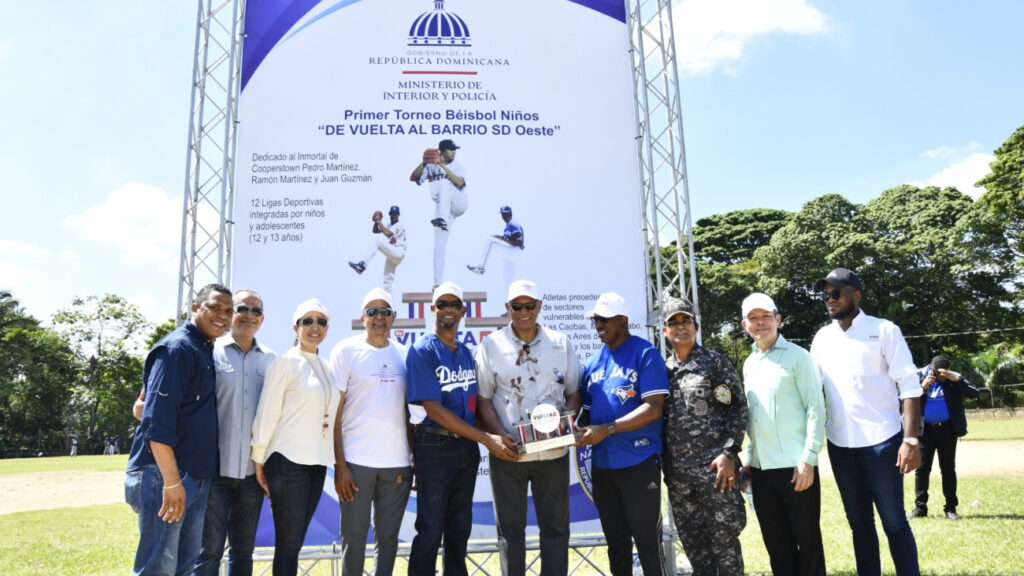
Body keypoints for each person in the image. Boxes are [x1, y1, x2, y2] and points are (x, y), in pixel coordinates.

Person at [132, 290, 277, 576]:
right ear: (197, 308)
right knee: (196, 555)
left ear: (262, 319)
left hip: (238, 474)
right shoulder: (199, 349)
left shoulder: (271, 360)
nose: (246, 315)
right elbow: (151, 409)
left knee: (219, 556)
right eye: (241, 308)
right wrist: (171, 480)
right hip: (207, 474)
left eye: (255, 311)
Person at [809, 267, 922, 576]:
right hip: (841, 447)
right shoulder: (821, 339)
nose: (829, 300)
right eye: (825, 294)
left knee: (895, 522)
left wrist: (910, 441)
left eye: (836, 293)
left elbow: (910, 387)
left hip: (883, 443)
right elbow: (811, 393)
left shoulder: (884, 329)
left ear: (855, 295)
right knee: (859, 525)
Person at [405, 281, 520, 576]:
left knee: (459, 529)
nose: (447, 310)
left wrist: (497, 435)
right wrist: (487, 439)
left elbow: (471, 409)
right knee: (430, 528)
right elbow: (435, 410)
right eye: (441, 304)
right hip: (434, 445)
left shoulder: (467, 353)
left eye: (454, 305)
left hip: (466, 447)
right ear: (432, 310)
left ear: (462, 311)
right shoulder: (422, 351)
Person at [125, 283, 233, 576]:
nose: (223, 315)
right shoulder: (176, 349)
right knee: (158, 568)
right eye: (215, 307)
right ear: (195, 308)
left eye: (228, 310)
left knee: (184, 568)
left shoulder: (203, 349)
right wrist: (171, 482)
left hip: (195, 477)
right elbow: (156, 424)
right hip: (167, 477)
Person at [475, 279, 581, 576]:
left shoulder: (561, 343)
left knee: (556, 530)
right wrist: (499, 438)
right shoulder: (490, 345)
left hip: (553, 454)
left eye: (530, 305)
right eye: (517, 306)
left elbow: (573, 391)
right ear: (507, 308)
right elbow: (483, 399)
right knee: (510, 533)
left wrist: (566, 431)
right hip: (509, 455)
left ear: (540, 307)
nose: (524, 312)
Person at [575, 292, 669, 576]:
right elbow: (586, 415)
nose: (598, 324)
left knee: (647, 543)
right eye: (595, 319)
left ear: (623, 320)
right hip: (603, 466)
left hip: (639, 461)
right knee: (616, 544)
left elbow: (654, 409)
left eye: (604, 319)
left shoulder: (645, 353)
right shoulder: (592, 363)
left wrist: (609, 429)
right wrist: (564, 430)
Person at [250, 298, 340, 576]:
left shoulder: (327, 366)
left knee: (295, 542)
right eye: (307, 321)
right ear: (296, 327)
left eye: (321, 321)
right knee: (288, 545)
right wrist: (258, 457)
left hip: (316, 464)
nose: (315, 327)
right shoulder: (285, 362)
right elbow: (267, 412)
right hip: (286, 461)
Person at [739, 293, 826, 576]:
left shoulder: (799, 357)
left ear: (778, 319)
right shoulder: (749, 363)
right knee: (777, 546)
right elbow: (753, 418)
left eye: (765, 316)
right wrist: (748, 460)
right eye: (753, 318)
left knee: (807, 543)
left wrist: (808, 459)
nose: (760, 323)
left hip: (796, 467)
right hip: (762, 473)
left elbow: (816, 409)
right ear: (744, 325)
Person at [661, 297, 748, 576]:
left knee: (724, 542)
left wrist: (729, 453)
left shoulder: (714, 364)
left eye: (685, 321)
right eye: (673, 323)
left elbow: (737, 409)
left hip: (715, 471)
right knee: (694, 544)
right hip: (679, 478)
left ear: (696, 326)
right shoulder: (662, 372)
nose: (680, 327)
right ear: (665, 331)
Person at [330, 288, 413, 576]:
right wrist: (340, 465)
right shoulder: (346, 351)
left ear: (394, 318)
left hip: (397, 465)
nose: (379, 317)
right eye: (372, 312)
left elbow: (409, 412)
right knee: (353, 540)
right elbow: (334, 412)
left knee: (388, 539)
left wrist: (413, 458)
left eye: (385, 312)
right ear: (361, 318)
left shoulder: (405, 354)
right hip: (355, 464)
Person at [909, 355, 981, 521]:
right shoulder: (919, 376)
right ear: (931, 369)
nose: (942, 376)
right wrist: (922, 387)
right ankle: (920, 508)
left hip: (947, 430)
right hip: (925, 431)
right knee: (922, 469)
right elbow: (905, 400)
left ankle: (950, 508)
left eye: (945, 373)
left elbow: (975, 392)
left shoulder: (953, 378)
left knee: (948, 469)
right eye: (939, 373)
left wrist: (956, 379)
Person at [410, 140, 468, 288]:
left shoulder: (457, 166)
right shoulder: (431, 166)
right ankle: (437, 282)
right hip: (442, 206)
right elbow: (414, 178)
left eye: (455, 149)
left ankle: (442, 218)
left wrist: (442, 166)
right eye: (450, 149)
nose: (454, 152)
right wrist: (424, 163)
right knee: (439, 247)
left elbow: (460, 183)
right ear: (442, 152)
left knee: (444, 182)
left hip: (458, 202)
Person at [348, 206, 406, 294]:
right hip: (392, 254)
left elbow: (387, 233)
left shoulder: (399, 224)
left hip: (398, 251)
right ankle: (391, 306)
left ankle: (362, 265)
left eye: (395, 214)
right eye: (392, 214)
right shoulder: (389, 225)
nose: (394, 216)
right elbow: (375, 231)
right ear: (389, 215)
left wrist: (379, 221)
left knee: (377, 241)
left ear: (398, 215)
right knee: (387, 282)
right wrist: (376, 222)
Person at [467, 206, 525, 289]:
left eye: (505, 214)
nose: (503, 216)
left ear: (510, 214)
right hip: (512, 253)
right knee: (508, 280)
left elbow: (518, 241)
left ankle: (481, 268)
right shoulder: (509, 225)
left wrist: (501, 239)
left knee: (491, 241)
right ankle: (510, 298)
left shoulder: (514, 224)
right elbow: (508, 239)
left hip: (516, 251)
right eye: (502, 214)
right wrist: (500, 237)